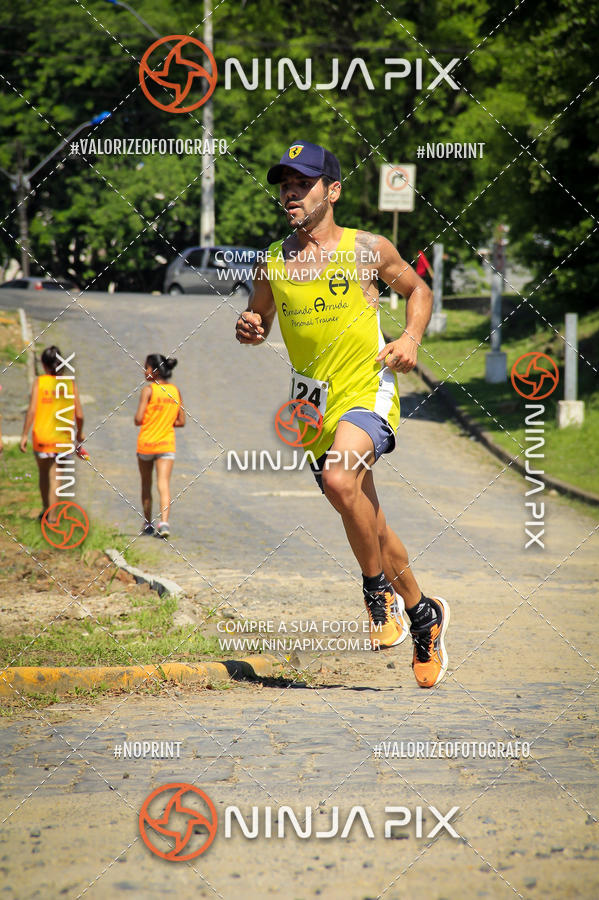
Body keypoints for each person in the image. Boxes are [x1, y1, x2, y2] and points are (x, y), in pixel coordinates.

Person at [235, 140, 450, 688]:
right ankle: (424, 615)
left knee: (338, 478)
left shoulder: (366, 250)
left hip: (367, 390)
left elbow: (418, 289)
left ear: (331, 191)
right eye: (284, 184)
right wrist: (250, 328)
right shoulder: (273, 262)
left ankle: (374, 592)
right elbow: (258, 318)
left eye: (302, 183)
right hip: (311, 407)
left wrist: (410, 337)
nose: (290, 192)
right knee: (365, 514)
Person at [19, 345, 84, 523]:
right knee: (56, 477)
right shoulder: (70, 384)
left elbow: (32, 411)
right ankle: (53, 517)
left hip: (42, 437)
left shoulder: (40, 382)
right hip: (62, 439)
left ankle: (46, 509)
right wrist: (80, 434)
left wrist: (24, 435)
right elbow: (79, 414)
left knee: (43, 474)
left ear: (43, 364)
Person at [134, 354, 185, 538]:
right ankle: (164, 523)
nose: (144, 371)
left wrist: (152, 419)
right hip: (166, 444)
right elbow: (181, 421)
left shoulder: (148, 391)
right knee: (164, 484)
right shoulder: (175, 391)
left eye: (146, 367)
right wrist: (165, 422)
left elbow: (138, 419)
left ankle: (148, 524)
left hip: (147, 444)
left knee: (146, 484)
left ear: (154, 371)